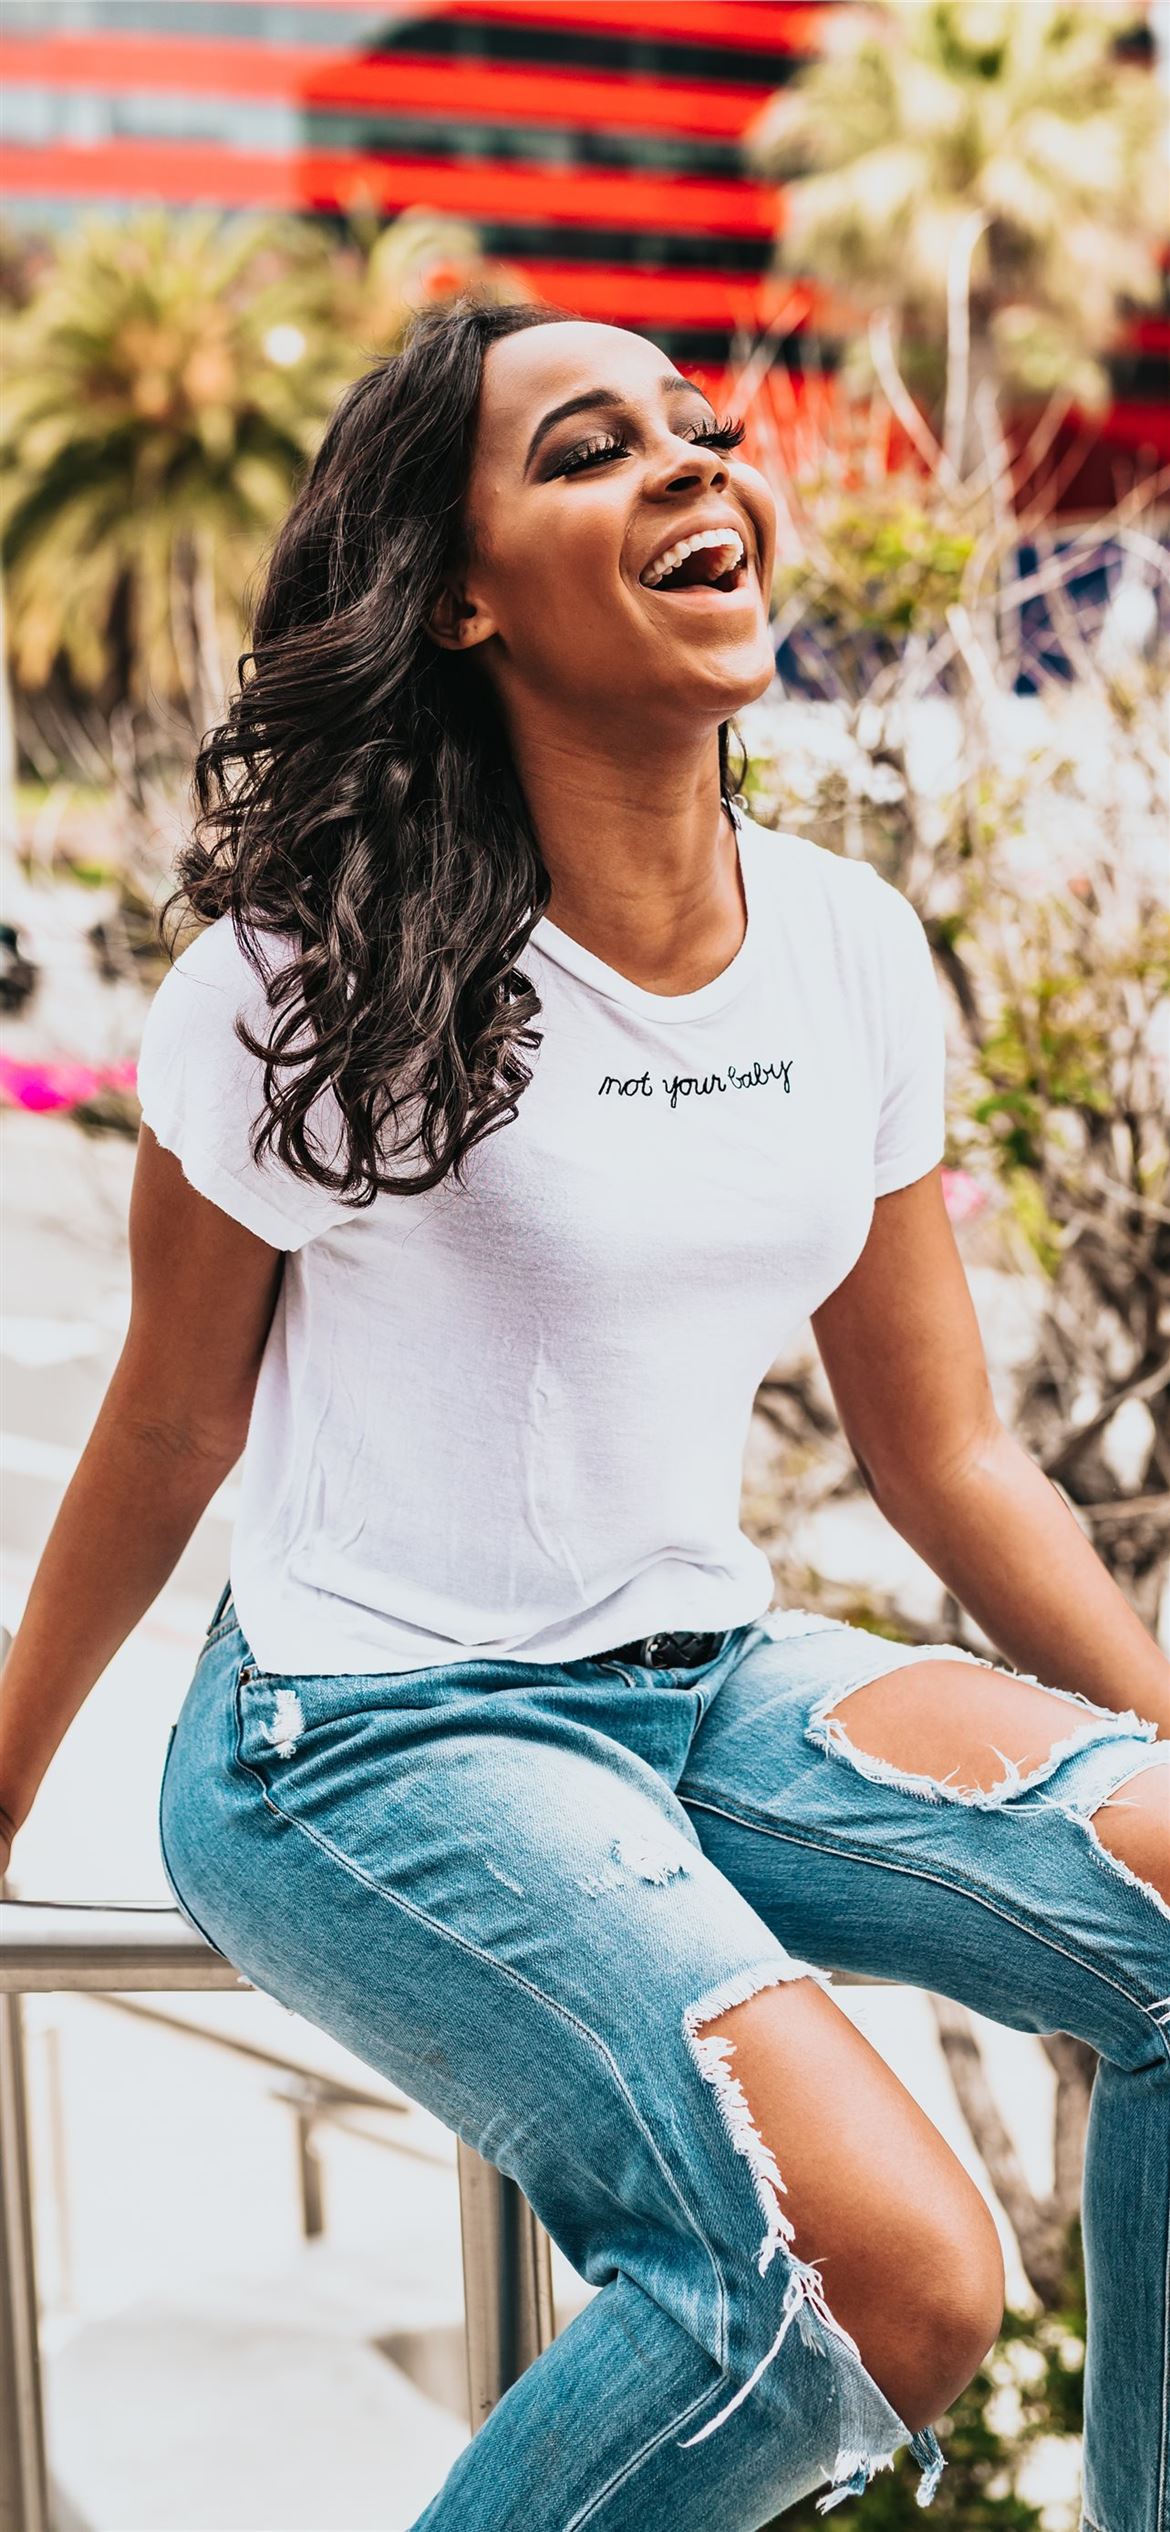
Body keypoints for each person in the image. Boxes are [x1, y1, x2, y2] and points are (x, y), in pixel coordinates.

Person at [1, 299, 1166, 2532]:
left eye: (704, 432)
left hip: (703, 1685)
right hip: (365, 1736)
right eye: (591, 448)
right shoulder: (297, 975)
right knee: (882, 2272)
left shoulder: (846, 949)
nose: (691, 469)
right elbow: (163, 1434)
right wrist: (1, 1777)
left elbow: (949, 1456)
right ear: (459, 590)